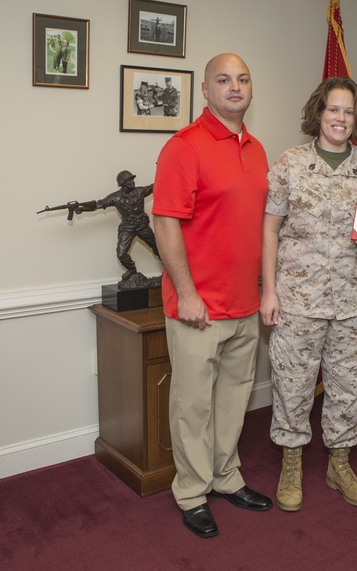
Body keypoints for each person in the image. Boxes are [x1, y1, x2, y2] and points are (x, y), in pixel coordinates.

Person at [152, 53, 272, 538]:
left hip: (246, 303)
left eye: (243, 78)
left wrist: (266, 289)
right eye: (223, 80)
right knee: (193, 405)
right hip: (198, 306)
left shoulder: (258, 149)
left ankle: (226, 477)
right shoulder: (185, 146)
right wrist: (187, 293)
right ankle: (192, 491)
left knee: (233, 400)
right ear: (205, 90)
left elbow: (264, 226)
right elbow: (165, 223)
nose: (235, 87)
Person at [261, 77, 357, 512]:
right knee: (293, 384)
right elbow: (269, 229)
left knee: (350, 386)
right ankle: (292, 462)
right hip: (298, 297)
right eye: (333, 109)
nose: (340, 118)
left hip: (354, 300)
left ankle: (339, 462)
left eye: (348, 111)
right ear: (318, 113)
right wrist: (269, 291)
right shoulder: (290, 164)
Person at [71, 170, 160, 289]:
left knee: (157, 247)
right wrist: (82, 208)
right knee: (121, 253)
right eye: (129, 181)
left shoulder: (140, 191)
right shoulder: (115, 197)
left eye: (132, 180)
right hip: (127, 228)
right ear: (122, 184)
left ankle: (169, 269)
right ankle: (132, 270)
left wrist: (167, 175)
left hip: (142, 225)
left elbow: (154, 186)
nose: (132, 182)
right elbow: (98, 204)